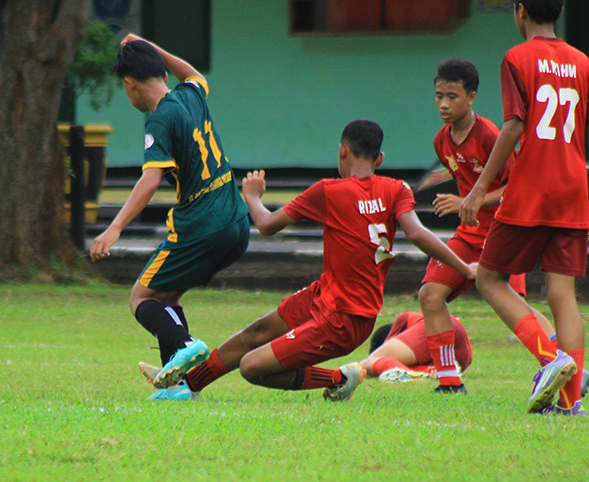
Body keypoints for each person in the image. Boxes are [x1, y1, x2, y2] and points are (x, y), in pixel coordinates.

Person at [141, 119, 476, 401]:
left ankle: (340, 378)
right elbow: (417, 233)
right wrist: (464, 267)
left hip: (344, 317)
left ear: (342, 151)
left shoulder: (328, 190)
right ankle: (189, 385)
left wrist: (253, 196)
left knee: (252, 367)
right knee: (257, 331)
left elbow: (267, 225)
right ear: (380, 158)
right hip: (327, 296)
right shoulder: (397, 189)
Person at [460, 0, 589, 416]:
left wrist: (479, 189)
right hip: (573, 190)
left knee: (490, 279)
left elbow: (513, 125)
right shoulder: (583, 62)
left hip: (531, 189)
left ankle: (549, 357)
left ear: (521, 11)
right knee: (563, 296)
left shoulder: (516, 57)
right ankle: (572, 402)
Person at [89, 34, 250, 394]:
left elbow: (150, 179)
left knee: (141, 299)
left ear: (129, 84)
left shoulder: (159, 120)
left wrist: (114, 228)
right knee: (166, 299)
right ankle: (177, 386)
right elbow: (193, 74)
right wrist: (152, 48)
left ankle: (185, 345)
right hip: (237, 223)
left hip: (201, 226)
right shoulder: (190, 95)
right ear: (162, 73)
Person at [421, 57, 555, 394]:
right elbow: (468, 186)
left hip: (503, 231)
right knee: (430, 294)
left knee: (510, 302)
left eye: (452, 96)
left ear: (472, 97)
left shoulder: (490, 136)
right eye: (439, 96)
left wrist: (471, 201)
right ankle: (449, 382)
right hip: (469, 235)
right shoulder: (441, 141)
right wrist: (466, 201)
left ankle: (558, 362)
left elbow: (518, 187)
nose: (443, 104)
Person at [361, 311, 472, 382]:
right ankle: (428, 372)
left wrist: (376, 368)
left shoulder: (406, 321)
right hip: (463, 354)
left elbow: (374, 361)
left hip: (438, 325)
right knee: (402, 369)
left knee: (366, 364)